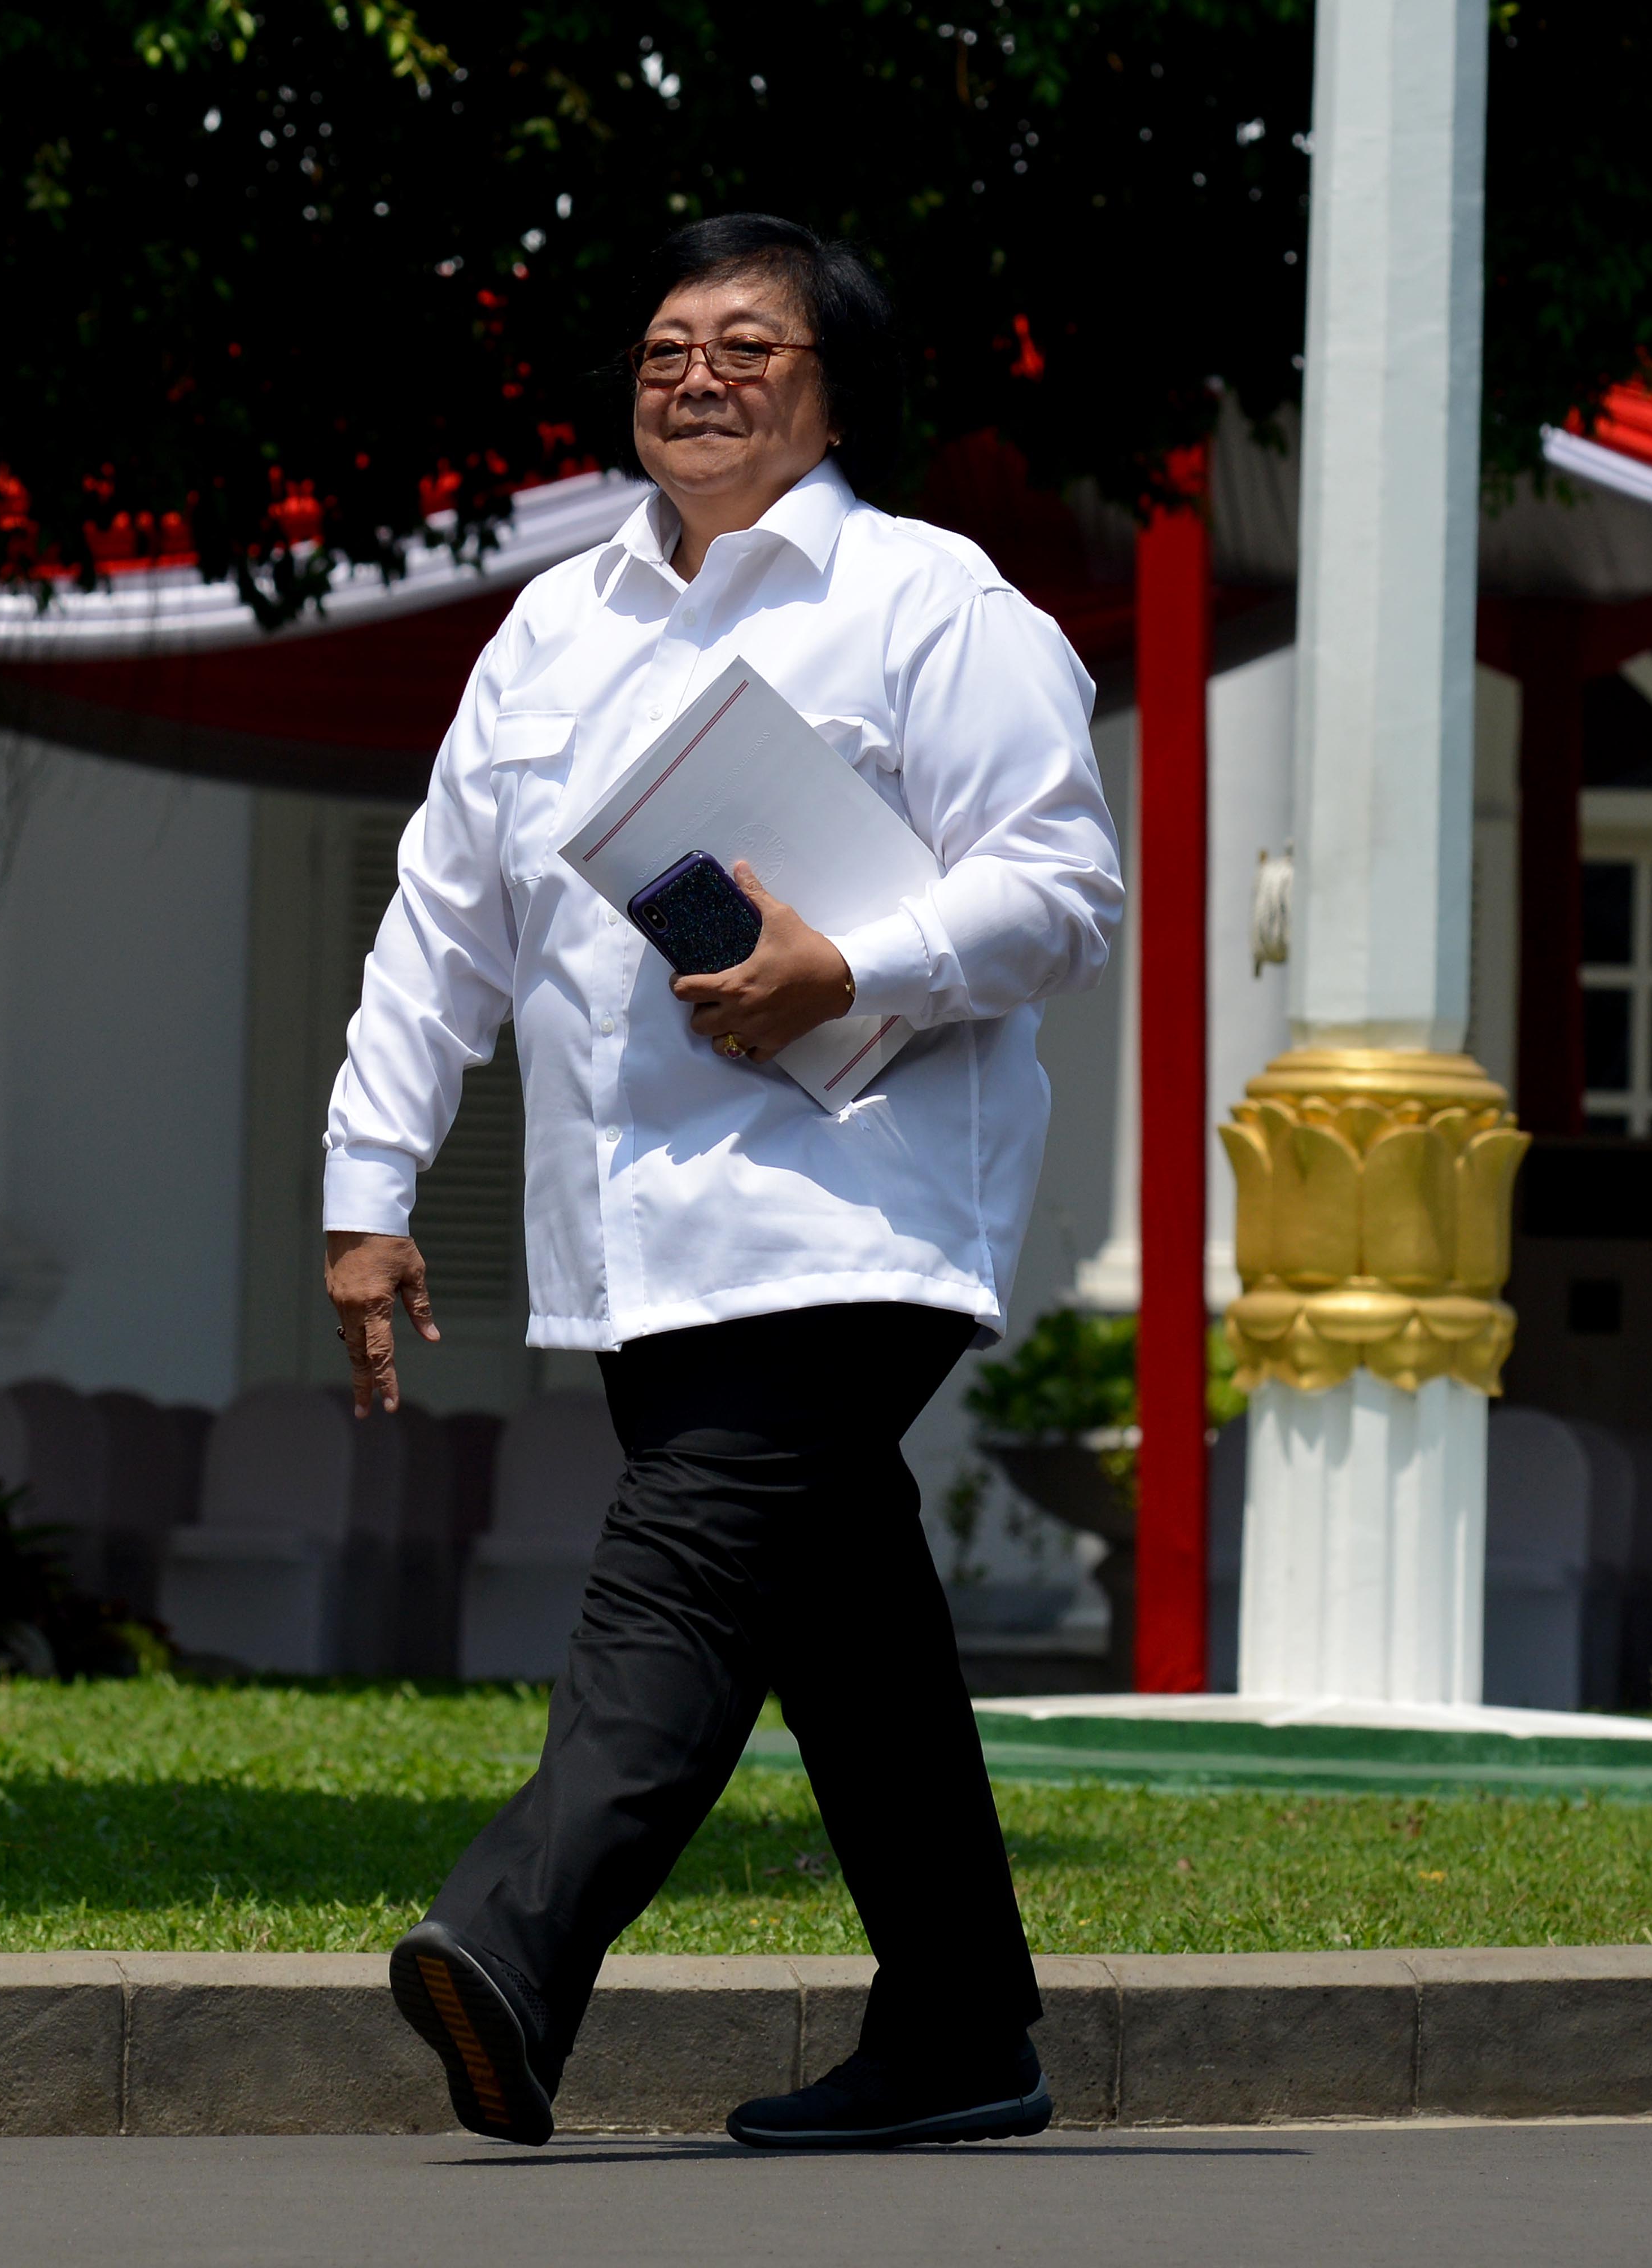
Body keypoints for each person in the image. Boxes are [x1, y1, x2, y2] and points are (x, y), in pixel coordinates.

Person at [324, 213, 1122, 2151]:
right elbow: (449, 917)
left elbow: (1060, 885)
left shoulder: (936, 605)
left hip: (854, 1213)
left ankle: (516, 1949)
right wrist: (370, 1180)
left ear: (835, 389)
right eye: (668, 345)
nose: (697, 375)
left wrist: (850, 967)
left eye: (749, 347)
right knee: (849, 1637)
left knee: (681, 1584)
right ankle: (962, 2035)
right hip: (633, 1241)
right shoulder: (556, 623)